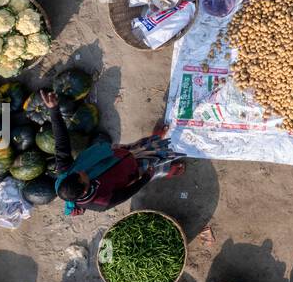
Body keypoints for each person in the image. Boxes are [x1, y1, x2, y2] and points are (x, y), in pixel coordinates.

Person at [43, 91, 186, 217]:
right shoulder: (101, 202)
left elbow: (61, 142)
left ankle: (154, 139)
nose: (80, 171)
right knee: (153, 164)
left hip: (113, 154)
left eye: (76, 173)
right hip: (131, 171)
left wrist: (54, 110)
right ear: (85, 188)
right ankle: (166, 170)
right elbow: (127, 193)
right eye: (82, 175)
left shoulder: (66, 172)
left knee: (138, 146)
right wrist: (145, 178)